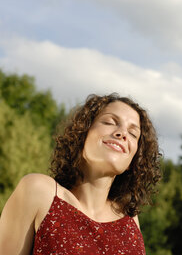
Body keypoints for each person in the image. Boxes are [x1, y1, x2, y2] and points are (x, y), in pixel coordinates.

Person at [0, 93, 161, 254]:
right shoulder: (38, 191)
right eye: (109, 122)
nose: (122, 133)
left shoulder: (129, 221)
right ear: (82, 134)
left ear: (132, 161)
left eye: (133, 134)